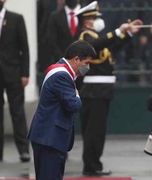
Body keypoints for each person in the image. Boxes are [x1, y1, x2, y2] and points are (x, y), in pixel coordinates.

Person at [74, 1, 143, 176]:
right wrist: (119, 30)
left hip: (101, 90)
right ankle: (91, 165)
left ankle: (93, 163)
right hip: (93, 91)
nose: (98, 20)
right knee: (94, 131)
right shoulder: (84, 36)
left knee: (97, 130)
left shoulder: (95, 37)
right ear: (86, 21)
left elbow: (111, 45)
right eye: (94, 17)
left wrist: (127, 33)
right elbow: (98, 45)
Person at [27, 40, 96, 179]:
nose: (87, 67)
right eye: (86, 62)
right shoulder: (62, 75)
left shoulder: (58, 68)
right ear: (76, 59)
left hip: (48, 136)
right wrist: (77, 95)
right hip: (50, 138)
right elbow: (74, 105)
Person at [0, 0, 30, 162]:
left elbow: (24, 48)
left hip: (14, 73)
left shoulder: (16, 19)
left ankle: (23, 150)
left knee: (17, 112)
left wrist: (25, 74)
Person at [44, 0, 81, 71]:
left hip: (84, 67)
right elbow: (51, 41)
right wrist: (64, 61)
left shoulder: (87, 16)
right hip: (61, 66)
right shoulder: (54, 17)